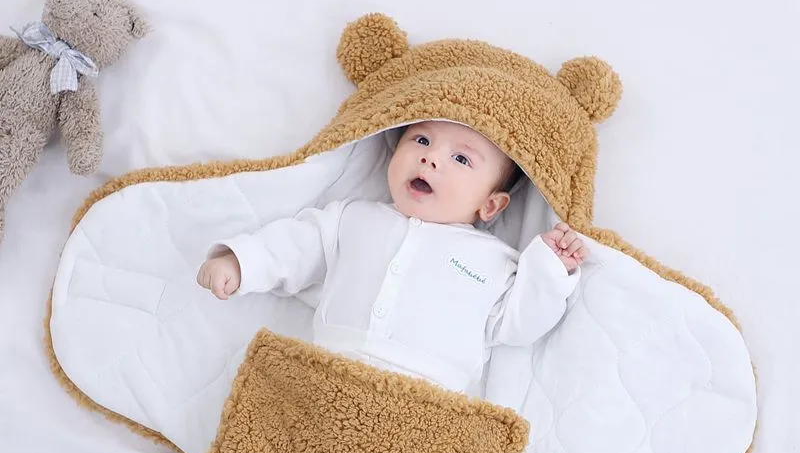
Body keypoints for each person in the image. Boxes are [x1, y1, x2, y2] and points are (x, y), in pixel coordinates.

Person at [197, 119, 587, 393]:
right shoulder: (352, 219)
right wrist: (240, 262)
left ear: (491, 206)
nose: (431, 158)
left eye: (461, 159)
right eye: (421, 140)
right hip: (329, 373)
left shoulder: (495, 260)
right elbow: (293, 246)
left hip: (431, 398)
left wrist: (549, 268)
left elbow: (519, 323)